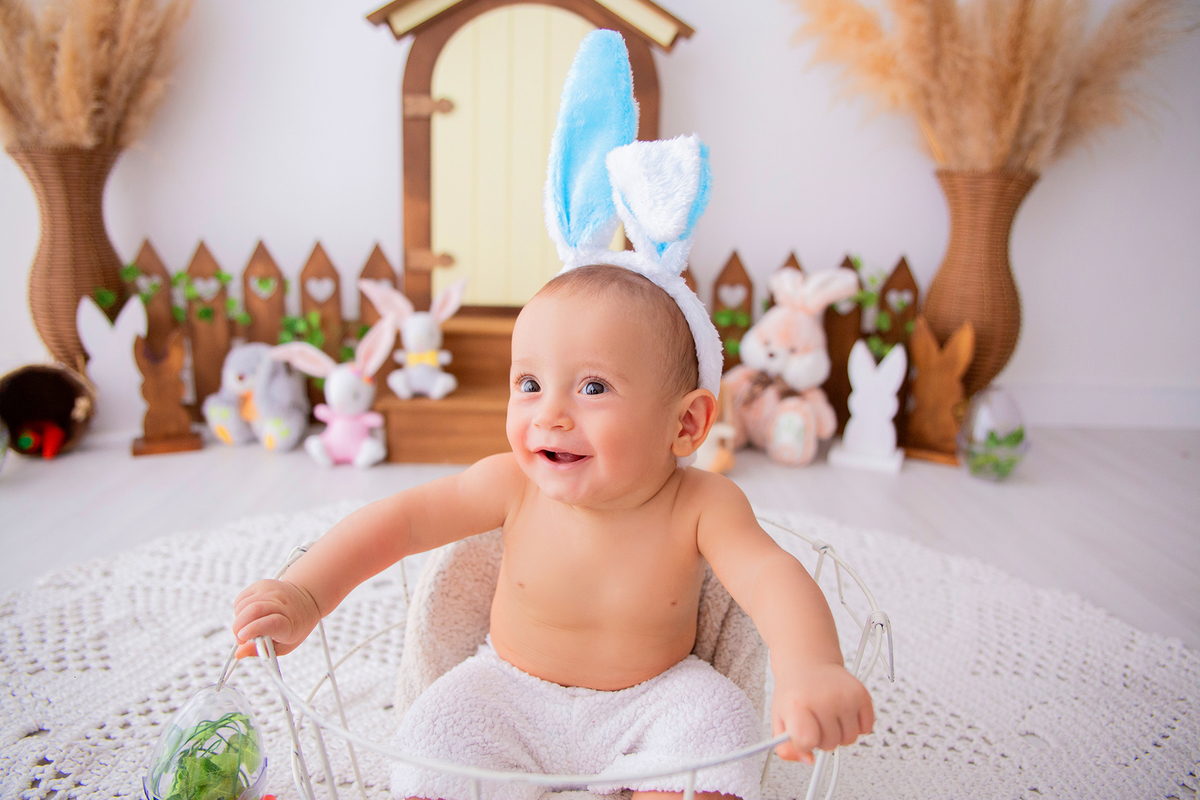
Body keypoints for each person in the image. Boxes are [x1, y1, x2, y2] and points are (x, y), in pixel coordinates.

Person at [232, 263, 875, 800]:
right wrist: (305, 595)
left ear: (685, 425)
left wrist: (809, 665)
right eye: (530, 384)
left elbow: (770, 577)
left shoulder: (702, 502)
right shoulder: (512, 483)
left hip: (654, 697)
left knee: (720, 722)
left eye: (593, 386)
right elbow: (401, 522)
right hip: (510, 689)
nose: (551, 414)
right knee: (437, 727)